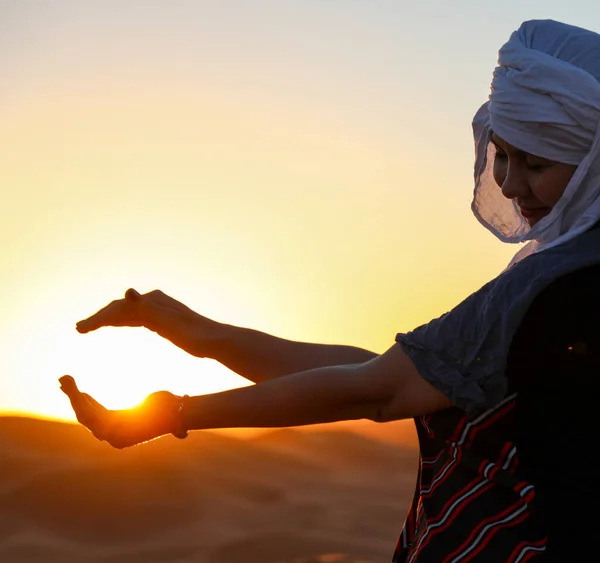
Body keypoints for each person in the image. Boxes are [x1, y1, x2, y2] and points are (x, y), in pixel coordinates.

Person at [61, 19, 600, 562]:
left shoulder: (554, 284)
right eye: (502, 155)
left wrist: (172, 414)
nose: (508, 183)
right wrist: (202, 335)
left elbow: (377, 391)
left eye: (536, 162)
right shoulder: (565, 267)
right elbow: (393, 375)